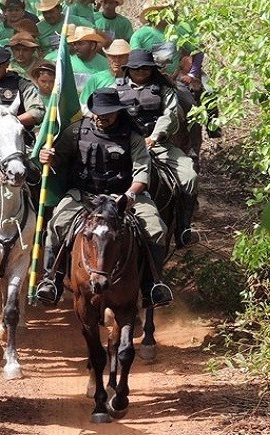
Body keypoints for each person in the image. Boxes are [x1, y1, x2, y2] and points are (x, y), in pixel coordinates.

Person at [35, 88, 174, 308]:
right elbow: (58, 158)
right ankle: (51, 280)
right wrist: (47, 156)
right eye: (98, 112)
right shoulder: (76, 131)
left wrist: (130, 195)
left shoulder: (133, 136)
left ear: (118, 111)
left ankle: (152, 286)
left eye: (107, 112)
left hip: (124, 195)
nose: (101, 116)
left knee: (156, 229)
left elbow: (142, 174)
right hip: (84, 195)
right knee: (56, 224)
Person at [115, 50, 199, 245]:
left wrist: (154, 136)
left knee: (189, 177)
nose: (140, 72)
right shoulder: (116, 88)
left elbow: (169, 115)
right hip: (123, 145)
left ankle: (183, 228)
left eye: (145, 68)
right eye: (136, 69)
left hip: (159, 144)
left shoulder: (164, 89)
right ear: (128, 70)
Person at [81, 38, 131, 104]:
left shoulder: (135, 79)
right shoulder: (96, 79)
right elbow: (84, 104)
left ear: (129, 58)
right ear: (108, 57)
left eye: (122, 56)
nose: (117, 60)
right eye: (113, 56)